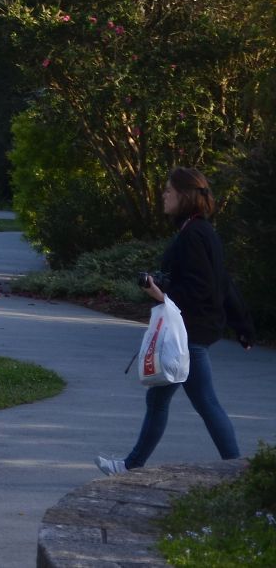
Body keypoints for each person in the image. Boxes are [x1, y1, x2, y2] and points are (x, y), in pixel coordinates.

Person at [97, 167, 254, 475]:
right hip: (192, 332)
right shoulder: (201, 231)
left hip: (188, 334)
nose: (164, 195)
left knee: (203, 404)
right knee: (166, 400)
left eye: (168, 190)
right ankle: (132, 465)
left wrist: (160, 291)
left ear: (183, 195)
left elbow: (201, 288)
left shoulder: (194, 235)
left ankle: (239, 471)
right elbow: (223, 282)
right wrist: (242, 326)